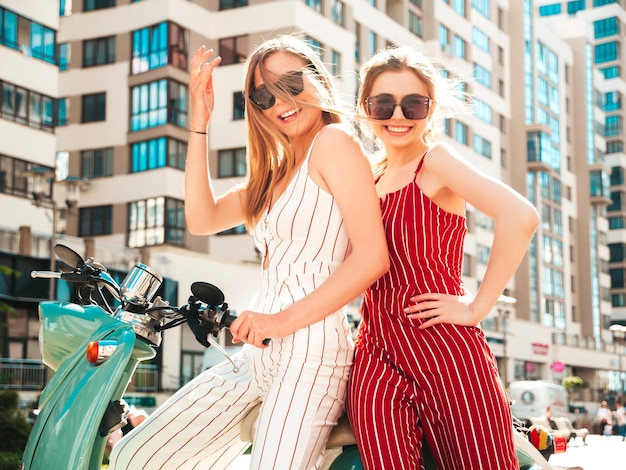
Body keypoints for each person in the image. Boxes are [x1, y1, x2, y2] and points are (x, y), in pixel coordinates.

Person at [109, 35, 389, 469]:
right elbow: (201, 220)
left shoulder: (335, 142)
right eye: (263, 95)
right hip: (257, 354)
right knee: (136, 454)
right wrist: (199, 120)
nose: (281, 101)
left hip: (311, 356)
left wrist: (278, 321)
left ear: (317, 80)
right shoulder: (275, 174)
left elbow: (372, 257)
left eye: (292, 84)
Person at [346, 45, 540, 469]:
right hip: (376, 352)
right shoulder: (366, 176)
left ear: (430, 110)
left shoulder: (435, 162)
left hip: (446, 350)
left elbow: (520, 215)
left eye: (412, 104)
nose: (398, 116)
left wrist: (477, 307)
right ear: (365, 108)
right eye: (384, 103)